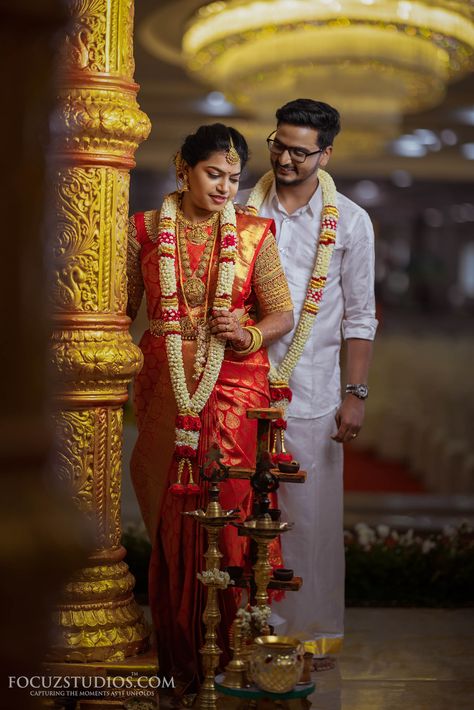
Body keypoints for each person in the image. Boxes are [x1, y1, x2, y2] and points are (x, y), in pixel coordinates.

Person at [126, 123, 293, 691]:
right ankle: (179, 660)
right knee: (170, 512)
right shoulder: (144, 231)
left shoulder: (253, 234)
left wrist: (245, 335)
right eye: (213, 174)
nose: (225, 187)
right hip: (164, 387)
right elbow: (119, 313)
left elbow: (282, 314)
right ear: (183, 167)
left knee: (232, 510)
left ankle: (233, 659)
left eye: (234, 178)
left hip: (234, 386)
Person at [239, 99, 378, 664]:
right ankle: (245, 629)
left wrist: (356, 393)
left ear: (326, 153)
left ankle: (308, 633)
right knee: (242, 512)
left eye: (301, 150)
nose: (287, 158)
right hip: (240, 385)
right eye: (279, 144)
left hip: (316, 391)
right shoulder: (241, 211)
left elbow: (360, 315)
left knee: (310, 518)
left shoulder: (349, 220)